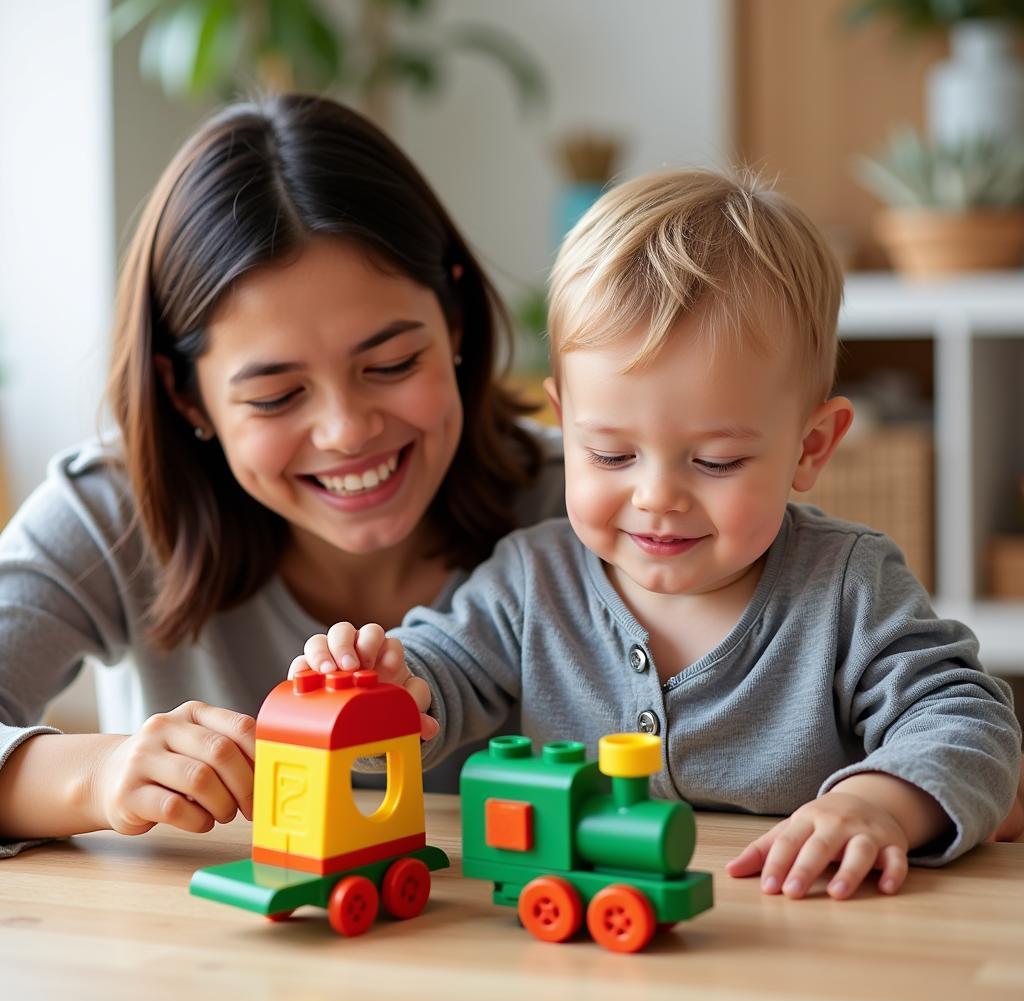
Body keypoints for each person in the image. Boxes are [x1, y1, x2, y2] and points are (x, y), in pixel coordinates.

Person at [296, 168, 1023, 901]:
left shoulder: (847, 588)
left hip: (798, 930)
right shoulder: (530, 578)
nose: (657, 497)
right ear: (562, 422)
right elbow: (443, 667)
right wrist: (391, 687)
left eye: (715, 461)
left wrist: (877, 804)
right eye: (610, 454)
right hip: (585, 939)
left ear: (810, 447)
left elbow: (969, 722)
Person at [0, 94, 564, 856]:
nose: (347, 429)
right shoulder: (114, 513)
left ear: (455, 321)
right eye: (275, 395)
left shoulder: (597, 507)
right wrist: (99, 775)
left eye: (393, 364)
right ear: (184, 392)